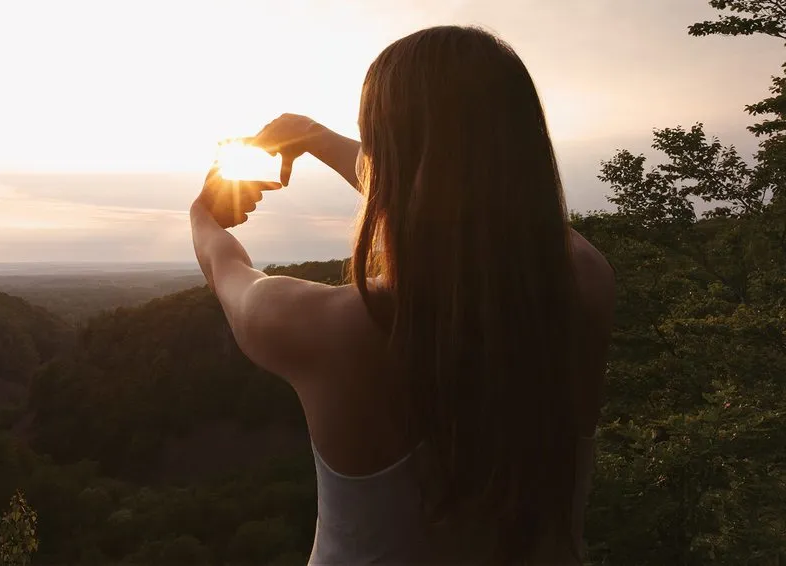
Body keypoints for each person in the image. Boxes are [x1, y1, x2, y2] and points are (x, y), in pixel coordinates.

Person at [189, 25, 615, 565]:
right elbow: (475, 203)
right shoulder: (586, 281)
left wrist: (202, 214)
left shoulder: (331, 328)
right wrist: (315, 136)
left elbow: (224, 267)